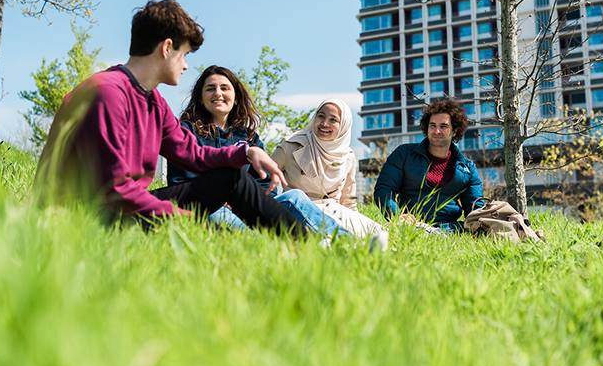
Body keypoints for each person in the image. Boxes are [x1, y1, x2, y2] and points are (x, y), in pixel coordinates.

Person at [34, 0, 304, 234]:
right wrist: (192, 222)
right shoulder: (106, 93)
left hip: (125, 207)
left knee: (229, 177)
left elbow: (194, 154)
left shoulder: (154, 101)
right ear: (166, 48)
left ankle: (305, 244)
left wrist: (246, 153)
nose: (186, 64)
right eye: (184, 53)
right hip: (84, 216)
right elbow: (114, 192)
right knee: (218, 235)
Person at [166, 66, 350, 238]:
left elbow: (264, 184)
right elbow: (181, 181)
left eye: (224, 88)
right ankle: (273, 244)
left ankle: (345, 242)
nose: (218, 93)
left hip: (247, 207)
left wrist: (250, 204)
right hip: (208, 207)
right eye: (210, 88)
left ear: (236, 97)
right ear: (200, 97)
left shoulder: (247, 137)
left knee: (295, 196)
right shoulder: (185, 130)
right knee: (218, 215)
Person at [272, 99, 387, 241]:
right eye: (321, 116)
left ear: (343, 126)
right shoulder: (291, 145)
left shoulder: (348, 157)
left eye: (333, 120)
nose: (324, 123)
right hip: (299, 210)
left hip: (334, 212)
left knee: (377, 231)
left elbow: (348, 202)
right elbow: (263, 179)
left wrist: (356, 221)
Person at [373, 98, 485, 232]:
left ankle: (432, 233)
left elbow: (475, 209)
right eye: (432, 125)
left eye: (443, 126)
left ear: (454, 131)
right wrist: (397, 217)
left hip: (449, 229)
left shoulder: (468, 168)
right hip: (409, 225)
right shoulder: (403, 154)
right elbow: (385, 189)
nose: (437, 131)